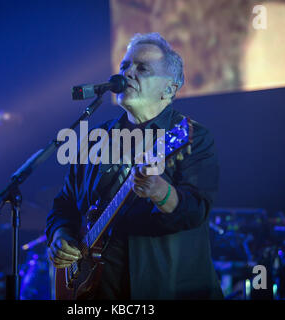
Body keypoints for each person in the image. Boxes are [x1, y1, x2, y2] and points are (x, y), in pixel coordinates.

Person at [46, 32, 223, 299]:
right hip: (96, 291)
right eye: (125, 66)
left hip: (167, 288)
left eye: (143, 68)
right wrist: (60, 236)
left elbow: (195, 211)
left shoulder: (190, 137)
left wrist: (161, 192)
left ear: (170, 88)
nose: (128, 73)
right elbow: (65, 204)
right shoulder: (95, 139)